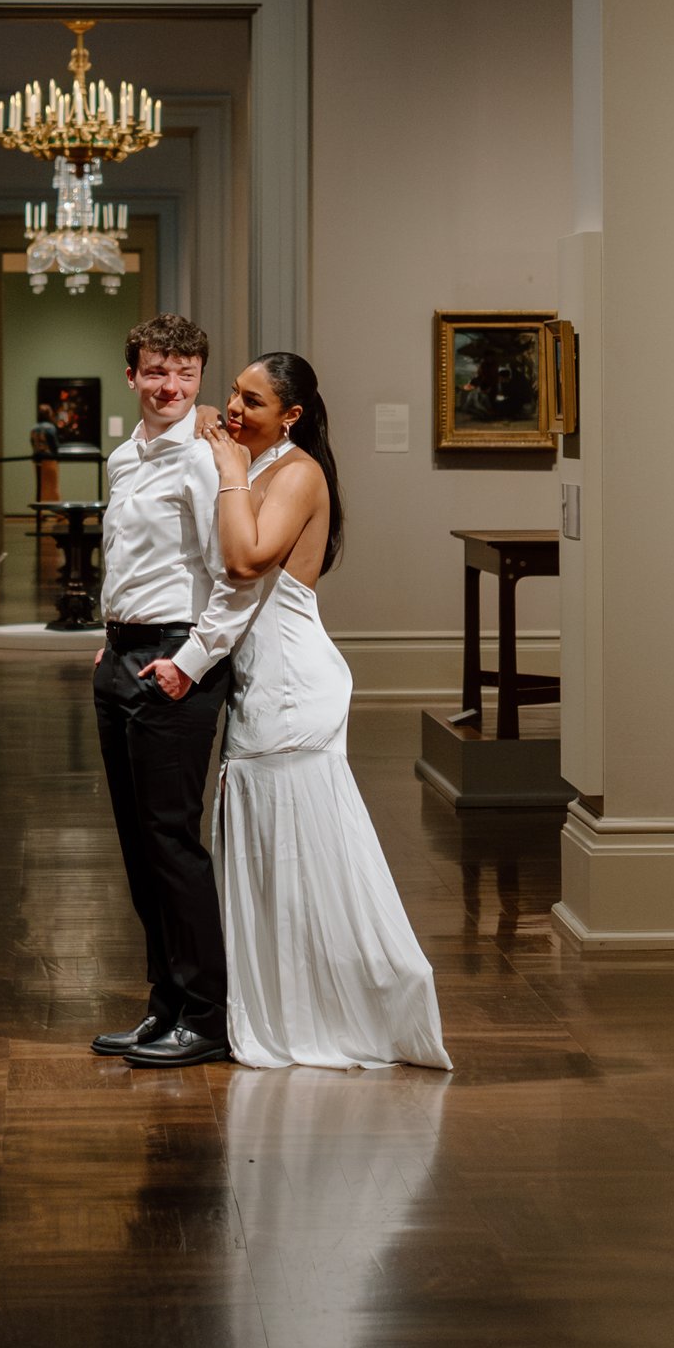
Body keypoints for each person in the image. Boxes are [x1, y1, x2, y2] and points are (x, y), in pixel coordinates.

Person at [182, 353, 450, 1074]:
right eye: (233, 393)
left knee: (300, 841)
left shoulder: (296, 474)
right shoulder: (258, 462)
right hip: (257, 674)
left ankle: (334, 1006)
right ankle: (278, 997)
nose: (233, 408)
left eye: (252, 401)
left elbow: (246, 562)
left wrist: (231, 468)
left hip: (290, 680)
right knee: (267, 839)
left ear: (291, 415)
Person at [86, 312, 248, 1069]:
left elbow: (236, 582)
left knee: (175, 845)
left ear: (200, 378)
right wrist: (109, 635)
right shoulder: (123, 458)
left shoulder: (207, 460)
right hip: (122, 657)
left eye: (184, 374)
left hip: (176, 665)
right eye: (156, 372)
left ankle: (207, 1018)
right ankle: (164, 1006)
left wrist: (188, 660)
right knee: (138, 846)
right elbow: (134, 561)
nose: (170, 387)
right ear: (132, 376)